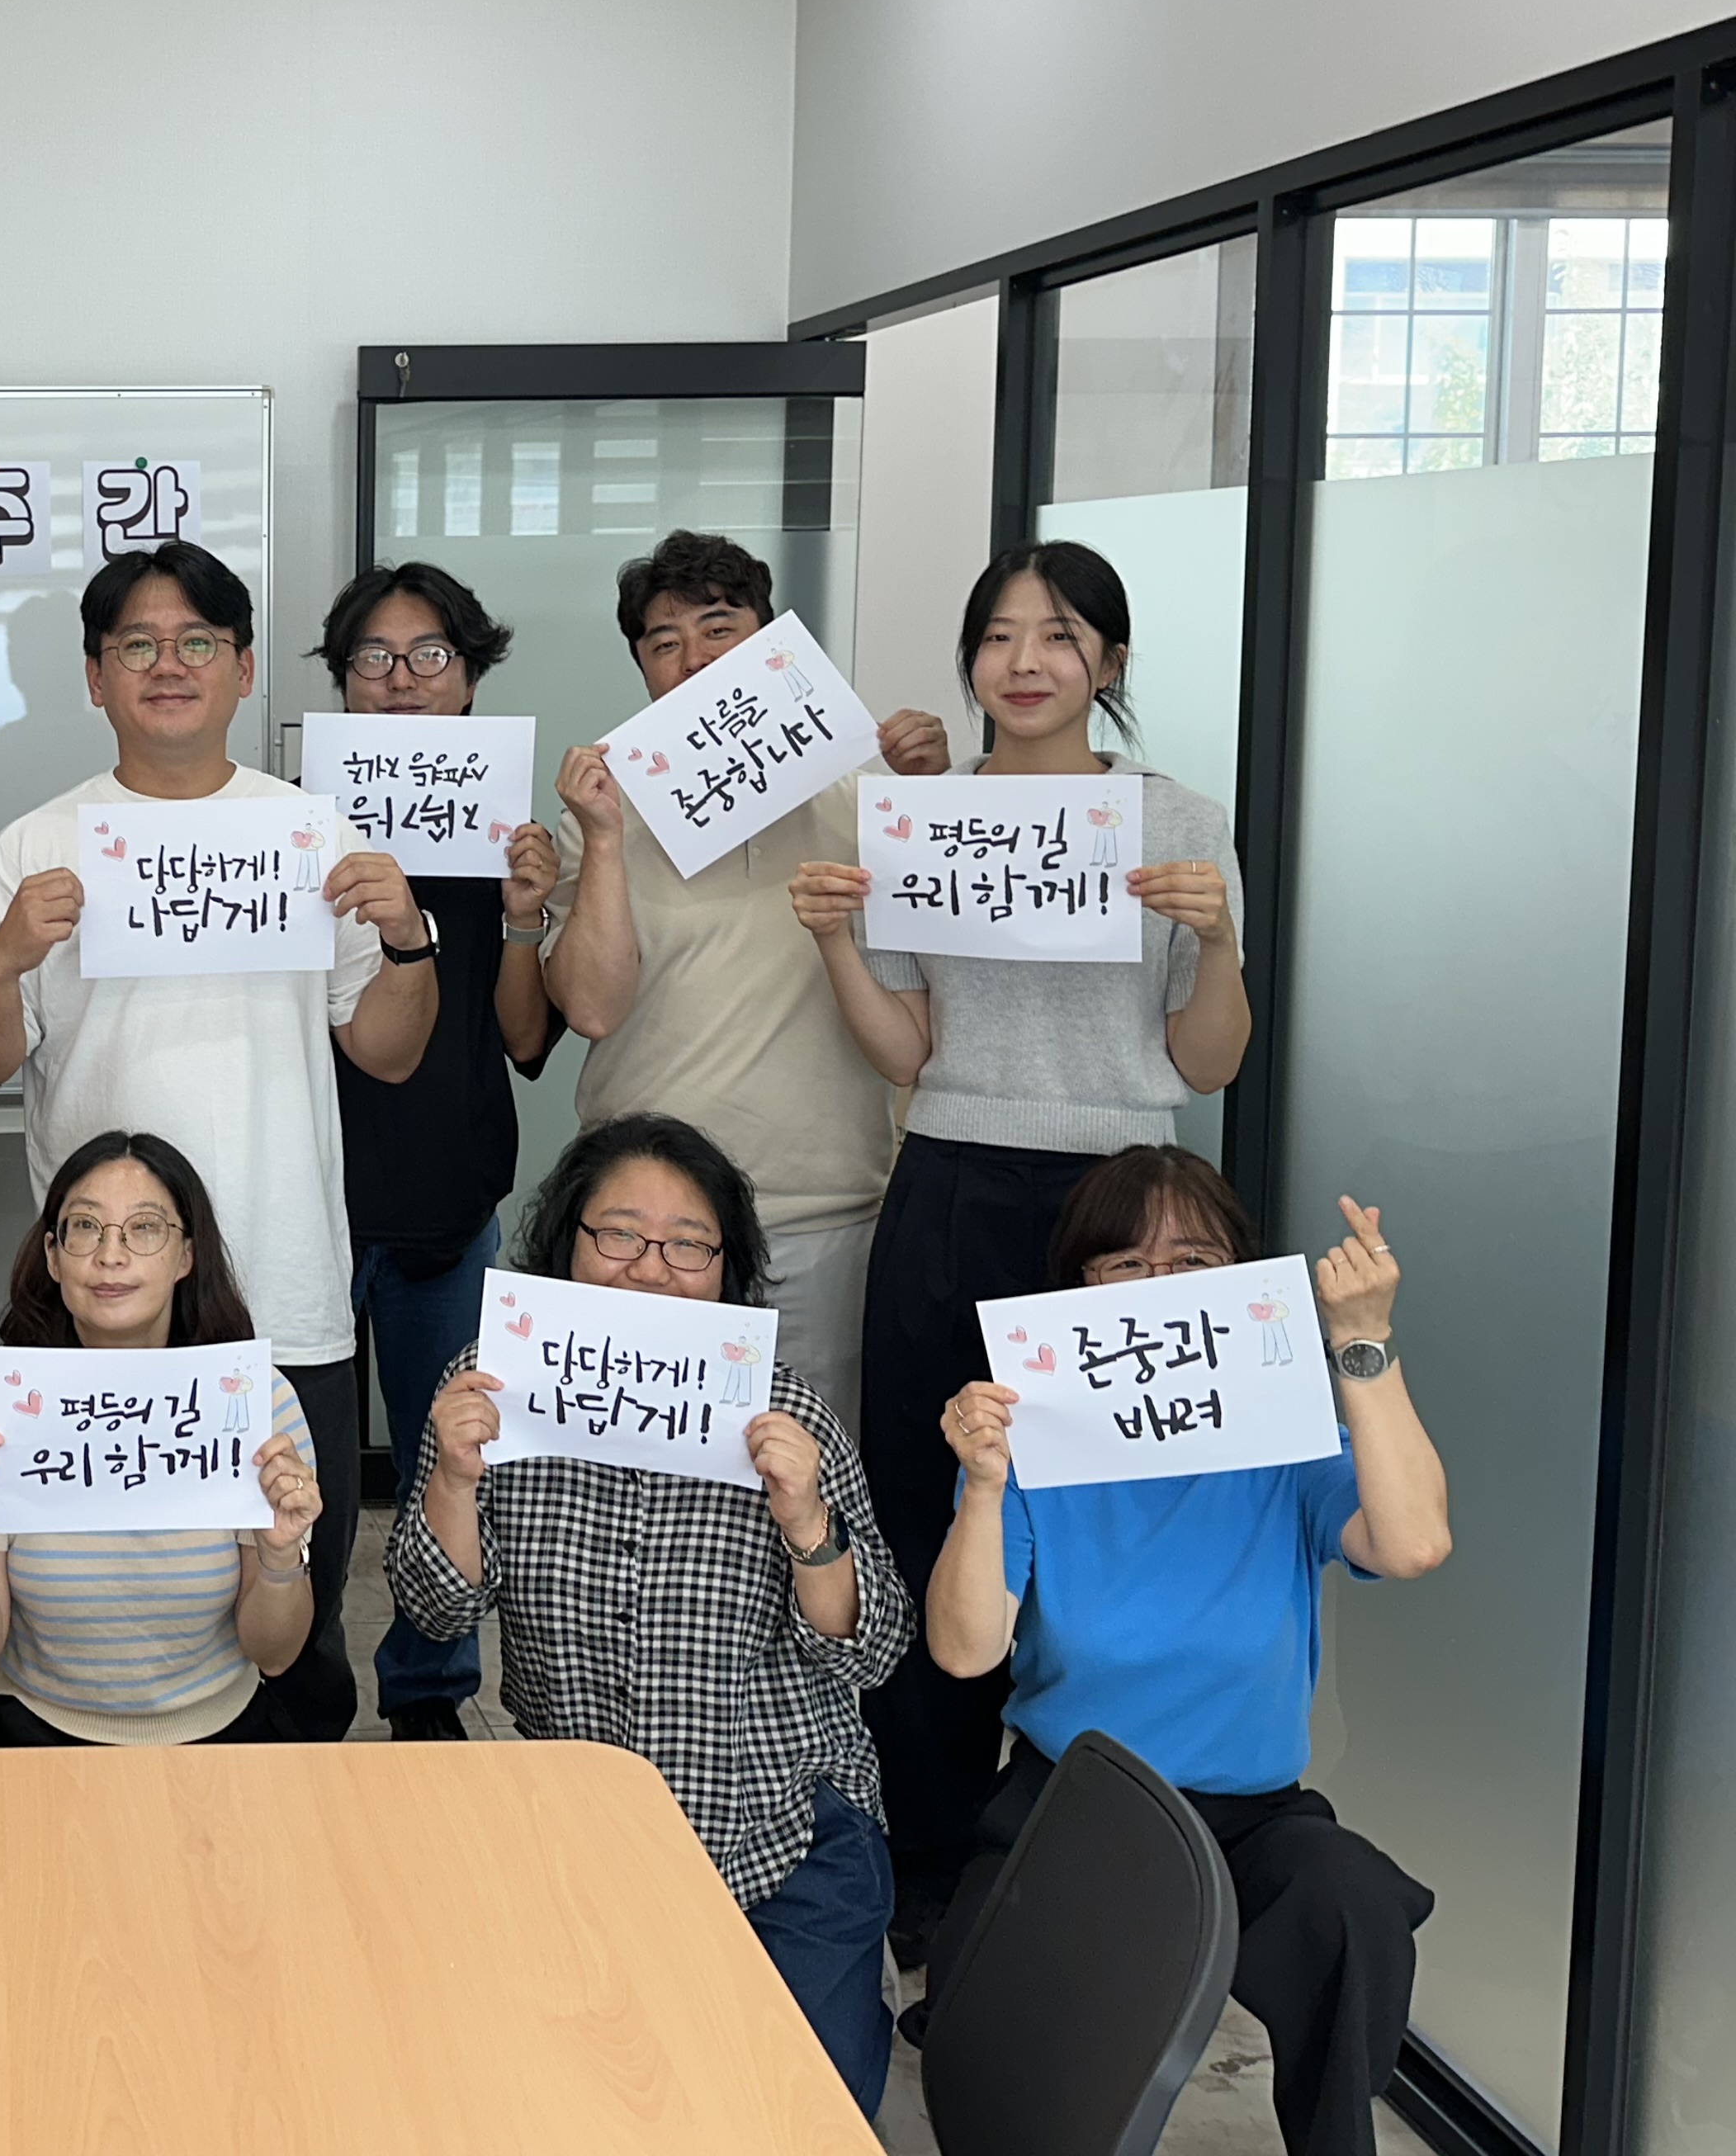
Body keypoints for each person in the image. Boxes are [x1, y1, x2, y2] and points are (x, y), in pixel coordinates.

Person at [786, 540, 1249, 1958]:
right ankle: (931, 1856)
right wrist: (838, 945)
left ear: (1110, 659)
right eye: (998, 634)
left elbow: (1208, 1060)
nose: (1026, 660)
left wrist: (1219, 941)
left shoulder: (1176, 819)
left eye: (1059, 634)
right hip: (951, 1179)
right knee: (929, 1507)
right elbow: (910, 1051)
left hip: (1124, 1208)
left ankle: (1096, 1852)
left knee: (1111, 1520)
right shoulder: (923, 821)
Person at [0, 539, 437, 1741]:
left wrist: (408, 939)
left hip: (286, 1299)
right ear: (95, 676)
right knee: (83, 1611)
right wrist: (2, 962)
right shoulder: (35, 845)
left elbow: (387, 1050)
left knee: (292, 1615)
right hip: (101, 1305)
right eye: (138, 645)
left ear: (244, 668)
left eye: (198, 641)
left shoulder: (311, 835)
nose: (169, 665)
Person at [924, 1149, 1448, 2156]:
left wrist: (1364, 1343)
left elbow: (1414, 1543)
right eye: (1126, 1264)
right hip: (1073, 1804)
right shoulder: (1031, 1447)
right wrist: (983, 1485)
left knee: (1351, 1906)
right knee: (986, 2002)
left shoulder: (1286, 1439)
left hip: (1251, 1813)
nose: (1159, 1287)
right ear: (1078, 1288)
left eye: (1194, 1261)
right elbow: (963, 1651)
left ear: (1241, 1282)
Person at [388, 1112, 911, 2111]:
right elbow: (435, 1611)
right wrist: (454, 1480)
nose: (650, 1269)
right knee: (544, 2101)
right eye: (619, 1235)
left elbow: (873, 1654)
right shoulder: (491, 1394)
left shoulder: (787, 1414)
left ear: (726, 1268)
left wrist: (807, 1520)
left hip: (781, 1839)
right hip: (571, 1843)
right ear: (568, 1245)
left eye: (688, 1245)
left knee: (800, 2110)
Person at [542, 529, 948, 1426]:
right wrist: (602, 840)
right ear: (642, 671)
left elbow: (932, 1007)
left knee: (810, 1466)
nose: (695, 660)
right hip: (644, 1223)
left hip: (822, 1214)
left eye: (719, 628)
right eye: (664, 642)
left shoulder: (864, 802)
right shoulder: (602, 813)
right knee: (642, 1472)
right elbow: (592, 1008)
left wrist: (930, 794)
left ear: (772, 641)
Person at [310, 562, 562, 1742]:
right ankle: (297, 1687)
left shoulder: (503, 834)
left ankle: (426, 1698)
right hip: (307, 1204)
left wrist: (522, 916)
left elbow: (525, 1038)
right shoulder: (293, 823)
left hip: (449, 1205)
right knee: (301, 1476)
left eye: (429, 656)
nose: (401, 680)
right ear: (340, 680)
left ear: (470, 676)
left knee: (448, 1464)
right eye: (373, 657)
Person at [0, 1132, 324, 1747]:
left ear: (186, 1256)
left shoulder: (254, 1402)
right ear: (54, 1257)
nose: (111, 1256)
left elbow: (274, 1655)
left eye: (144, 1229)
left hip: (217, 1730)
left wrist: (279, 1560)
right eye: (86, 1227)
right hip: (30, 1729)